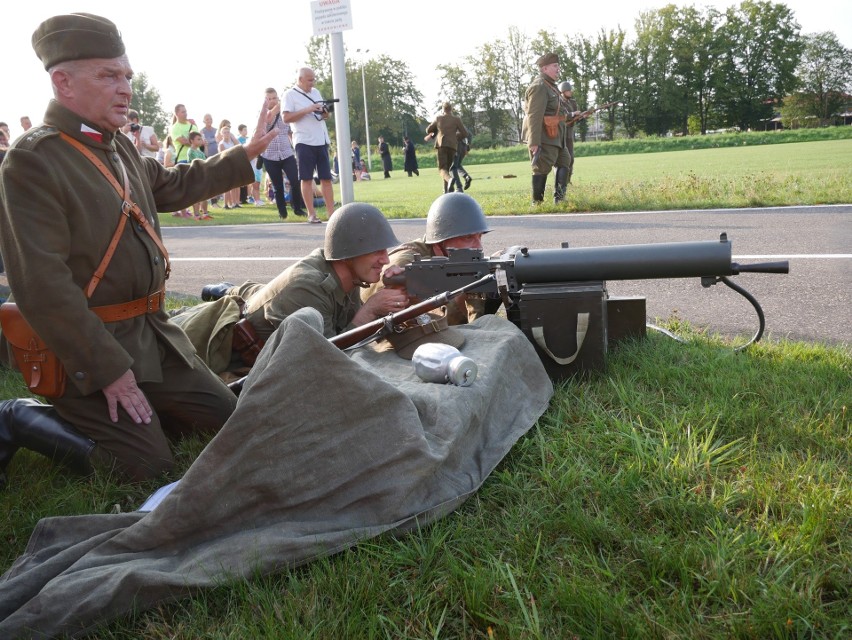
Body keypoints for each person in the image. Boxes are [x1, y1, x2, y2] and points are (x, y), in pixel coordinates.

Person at [0, 12, 277, 485]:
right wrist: (107, 370)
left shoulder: (119, 148)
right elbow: (43, 287)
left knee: (231, 418)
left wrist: (244, 154)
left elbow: (174, 184)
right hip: (88, 348)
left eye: (126, 75)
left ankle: (146, 412)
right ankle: (17, 417)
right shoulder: (32, 161)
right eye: (109, 76)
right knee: (145, 468)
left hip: (151, 335)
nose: (125, 88)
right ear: (62, 82)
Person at [200, 203, 408, 344]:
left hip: (272, 296)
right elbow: (328, 356)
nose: (386, 259)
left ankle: (231, 290)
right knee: (258, 297)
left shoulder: (346, 273)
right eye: (376, 251)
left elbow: (354, 326)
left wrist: (395, 291)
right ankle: (225, 293)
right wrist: (370, 310)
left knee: (255, 290)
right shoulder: (307, 288)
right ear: (347, 254)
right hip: (234, 335)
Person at [362, 192, 491, 325]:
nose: (479, 247)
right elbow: (418, 326)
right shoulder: (404, 267)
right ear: (439, 245)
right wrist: (464, 293)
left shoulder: (451, 260)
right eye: (468, 238)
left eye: (480, 237)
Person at [283, 67, 335, 223]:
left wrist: (325, 113)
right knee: (306, 178)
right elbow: (286, 118)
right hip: (304, 141)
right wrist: (307, 109)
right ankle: (311, 214)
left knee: (326, 178)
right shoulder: (289, 95)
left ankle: (331, 214)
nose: (313, 83)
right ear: (300, 79)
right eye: (310, 80)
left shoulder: (316, 92)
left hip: (321, 140)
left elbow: (324, 115)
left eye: (314, 79)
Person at [522, 52, 571, 204]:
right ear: (544, 69)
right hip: (544, 136)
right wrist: (534, 142)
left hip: (557, 136)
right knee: (541, 168)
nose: (558, 69)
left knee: (565, 161)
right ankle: (537, 203)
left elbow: (557, 112)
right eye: (555, 66)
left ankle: (559, 201)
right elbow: (534, 116)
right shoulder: (539, 87)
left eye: (558, 66)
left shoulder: (551, 86)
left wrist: (571, 116)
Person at [260, 87, 306, 219]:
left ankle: (297, 208)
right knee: (277, 186)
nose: (273, 101)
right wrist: (280, 105)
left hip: (286, 153)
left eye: (275, 98)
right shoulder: (262, 114)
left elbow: (289, 131)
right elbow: (268, 120)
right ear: (265, 101)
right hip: (269, 155)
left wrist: (296, 147)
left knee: (295, 180)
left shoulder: (284, 112)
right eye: (269, 99)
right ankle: (282, 213)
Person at [425, 102, 469, 194]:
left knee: (442, 169)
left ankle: (449, 180)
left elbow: (428, 130)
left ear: (443, 109)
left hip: (442, 145)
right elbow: (465, 133)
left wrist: (436, 129)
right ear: (451, 109)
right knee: (447, 169)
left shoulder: (439, 118)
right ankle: (447, 191)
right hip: (452, 146)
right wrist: (454, 137)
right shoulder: (457, 119)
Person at [559, 81, 582, 185]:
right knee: (562, 159)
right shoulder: (558, 102)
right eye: (568, 90)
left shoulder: (572, 102)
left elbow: (576, 118)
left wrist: (581, 116)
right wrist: (573, 114)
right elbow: (563, 116)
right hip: (560, 132)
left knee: (571, 158)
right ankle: (561, 182)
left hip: (569, 133)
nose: (570, 92)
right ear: (563, 91)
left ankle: (568, 181)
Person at [187, 131, 213, 220]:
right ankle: (197, 215)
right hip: (195, 176)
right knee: (196, 197)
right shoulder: (191, 151)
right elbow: (197, 162)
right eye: (198, 139)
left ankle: (205, 213)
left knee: (204, 196)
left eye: (201, 139)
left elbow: (205, 159)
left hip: (202, 175)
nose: (200, 140)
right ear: (191, 141)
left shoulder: (199, 151)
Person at [218, 124, 242, 209]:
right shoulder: (222, 144)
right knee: (228, 186)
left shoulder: (232, 142)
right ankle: (226, 204)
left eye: (228, 132)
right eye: (225, 132)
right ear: (222, 134)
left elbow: (239, 146)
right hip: (226, 166)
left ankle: (235, 203)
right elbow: (224, 155)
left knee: (235, 185)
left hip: (234, 165)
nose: (227, 134)